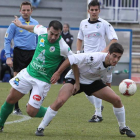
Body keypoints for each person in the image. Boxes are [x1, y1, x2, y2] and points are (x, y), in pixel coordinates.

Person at [35, 43, 136, 138]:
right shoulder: (94, 57)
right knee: (60, 101)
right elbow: (71, 59)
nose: (116, 59)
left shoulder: (112, 64)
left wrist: (109, 93)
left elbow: (107, 78)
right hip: (75, 78)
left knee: (117, 100)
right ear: (108, 53)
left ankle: (123, 127)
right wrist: (58, 73)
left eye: (119, 57)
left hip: (93, 82)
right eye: (114, 56)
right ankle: (41, 127)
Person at [0, 16, 78, 133]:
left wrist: (59, 73)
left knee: (31, 112)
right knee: (11, 98)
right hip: (28, 73)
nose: (53, 37)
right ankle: (0, 124)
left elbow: (73, 60)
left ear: (60, 34)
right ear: (47, 30)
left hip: (42, 81)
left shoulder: (62, 46)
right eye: (51, 33)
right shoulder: (41, 31)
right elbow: (33, 27)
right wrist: (21, 26)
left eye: (56, 35)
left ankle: (49, 113)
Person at [76, 0, 118, 122]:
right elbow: (79, 39)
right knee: (85, 87)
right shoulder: (83, 23)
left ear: (99, 11)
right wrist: (78, 52)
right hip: (86, 59)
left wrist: (104, 51)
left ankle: (98, 114)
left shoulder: (105, 24)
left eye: (96, 10)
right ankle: (98, 107)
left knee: (96, 85)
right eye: (92, 10)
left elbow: (114, 39)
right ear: (88, 11)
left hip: (100, 60)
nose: (94, 12)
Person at [4, 1, 39, 115]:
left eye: (28, 10)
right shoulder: (14, 24)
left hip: (32, 53)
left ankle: (31, 104)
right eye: (23, 10)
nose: (25, 12)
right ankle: (16, 108)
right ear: (20, 11)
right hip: (19, 53)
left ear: (31, 11)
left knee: (33, 80)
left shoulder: (35, 23)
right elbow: (7, 40)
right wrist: (8, 57)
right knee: (17, 81)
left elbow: (39, 41)